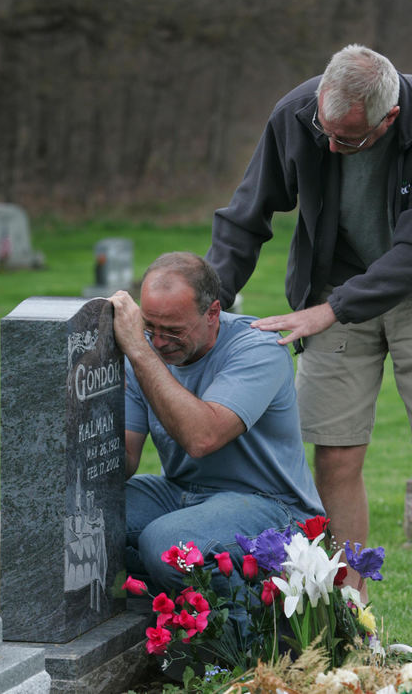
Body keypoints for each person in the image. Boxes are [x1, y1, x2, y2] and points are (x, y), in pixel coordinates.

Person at [205, 44, 412, 663]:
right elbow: (244, 217)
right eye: (326, 132)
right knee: (334, 454)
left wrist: (327, 311)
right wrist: (207, 307)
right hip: (332, 286)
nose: (332, 146)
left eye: (349, 140)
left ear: (387, 119)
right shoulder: (297, 117)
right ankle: (352, 617)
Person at [109, 251, 324, 607]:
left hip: (270, 504)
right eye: (149, 328)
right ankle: (151, 624)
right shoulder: (144, 352)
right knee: (83, 521)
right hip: (179, 492)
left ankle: (257, 642)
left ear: (213, 313)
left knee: (168, 544)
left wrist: (139, 351)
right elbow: (126, 457)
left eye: (173, 331)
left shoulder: (259, 349)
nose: (159, 343)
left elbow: (201, 437)